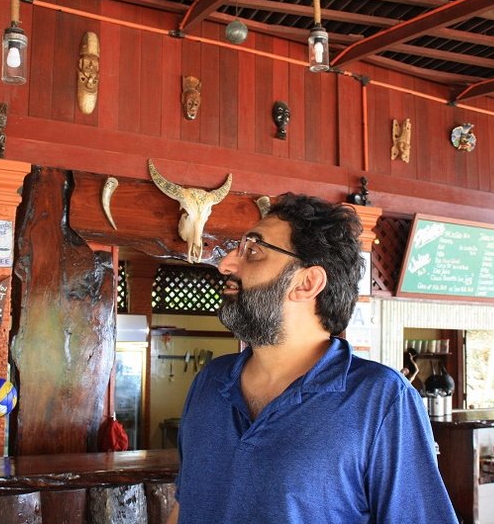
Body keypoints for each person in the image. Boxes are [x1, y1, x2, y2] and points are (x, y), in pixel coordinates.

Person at [167, 193, 457, 523]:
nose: (226, 265)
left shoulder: (380, 400)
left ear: (307, 282)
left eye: (253, 251)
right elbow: (184, 504)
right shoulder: (210, 381)